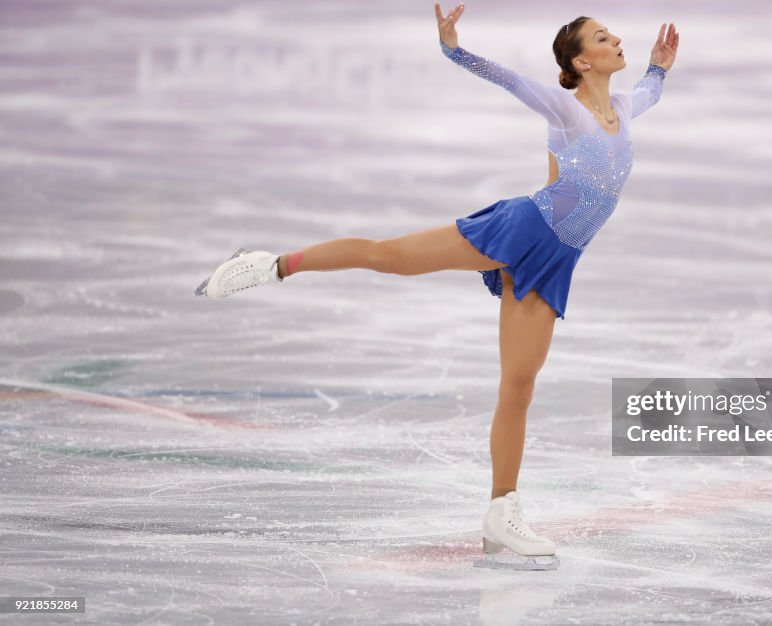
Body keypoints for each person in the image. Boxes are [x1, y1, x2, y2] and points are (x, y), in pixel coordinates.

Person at [195, 3, 678, 571]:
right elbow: (512, 80)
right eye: (603, 37)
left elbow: (650, 91)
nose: (616, 39)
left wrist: (660, 69)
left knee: (518, 387)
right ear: (580, 60)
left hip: (556, 259)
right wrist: (454, 49)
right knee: (390, 256)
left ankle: (502, 513)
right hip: (522, 229)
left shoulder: (623, 106)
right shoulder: (566, 111)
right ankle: (271, 264)